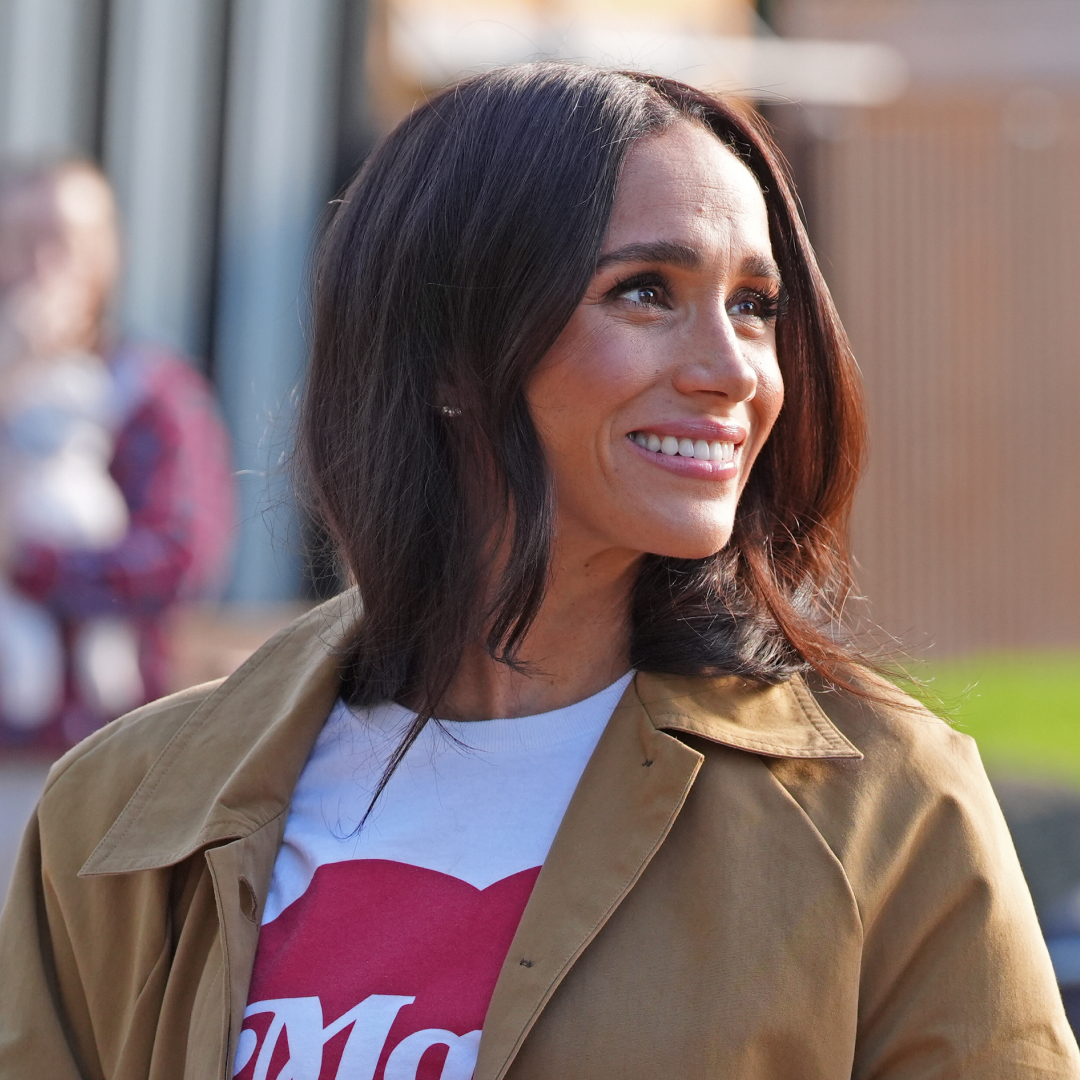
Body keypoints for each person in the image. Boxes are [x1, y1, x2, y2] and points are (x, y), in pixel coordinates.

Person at [0, 64, 1076, 1080]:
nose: (732, 369)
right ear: (451, 352)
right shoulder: (123, 811)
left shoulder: (886, 803)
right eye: (646, 291)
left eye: (755, 304)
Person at [0, 160, 235, 752]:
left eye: (70, 243)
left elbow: (181, 556)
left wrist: (31, 564)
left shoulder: (154, 392)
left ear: (109, 255)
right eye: (24, 242)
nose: (45, 267)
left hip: (111, 747)